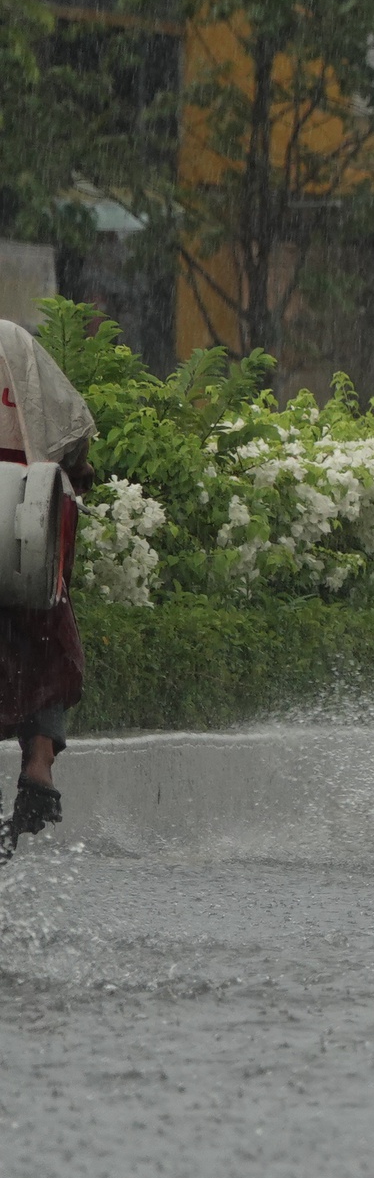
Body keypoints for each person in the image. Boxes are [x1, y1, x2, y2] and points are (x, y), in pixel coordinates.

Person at [0, 317, 97, 851]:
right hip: (23, 517)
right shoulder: (13, 340)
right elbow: (73, 427)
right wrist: (72, 475)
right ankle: (39, 764)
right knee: (46, 637)